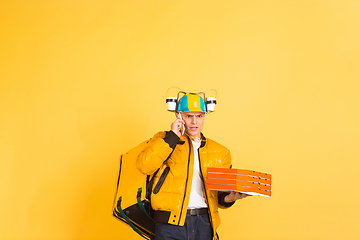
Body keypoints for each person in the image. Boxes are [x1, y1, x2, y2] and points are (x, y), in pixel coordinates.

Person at [136, 92, 249, 240]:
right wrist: (172, 136)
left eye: (199, 116)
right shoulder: (164, 140)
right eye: (189, 116)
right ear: (178, 116)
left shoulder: (221, 152)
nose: (194, 121)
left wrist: (228, 198)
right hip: (170, 223)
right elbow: (144, 166)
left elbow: (219, 194)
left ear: (204, 116)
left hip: (204, 222)